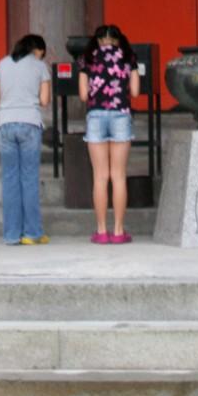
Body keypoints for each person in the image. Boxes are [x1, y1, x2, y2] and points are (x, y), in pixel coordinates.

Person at [78, 23, 141, 245]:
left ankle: (102, 231)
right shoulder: (128, 57)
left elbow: (83, 95)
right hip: (121, 115)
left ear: (97, 40)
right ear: (117, 40)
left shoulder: (87, 58)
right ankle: (119, 231)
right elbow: (135, 91)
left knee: (100, 176)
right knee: (119, 176)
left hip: (95, 116)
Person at [0, 33, 51, 246]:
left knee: (9, 179)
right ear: (36, 50)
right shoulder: (40, 66)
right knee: (29, 178)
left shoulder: (2, 64)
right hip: (29, 124)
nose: (41, 57)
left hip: (5, 124)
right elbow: (44, 100)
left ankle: (11, 235)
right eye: (41, 53)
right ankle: (32, 233)